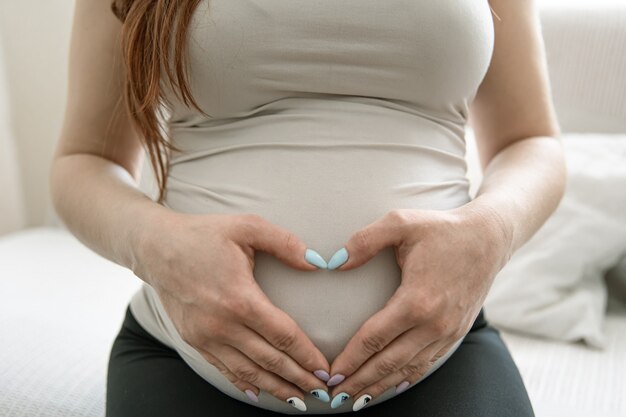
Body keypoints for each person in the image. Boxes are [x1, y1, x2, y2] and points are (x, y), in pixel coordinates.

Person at [50, 0, 566, 415]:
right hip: (187, 355)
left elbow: (532, 140)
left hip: (436, 354)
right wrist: (153, 245)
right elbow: (84, 160)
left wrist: (489, 233)